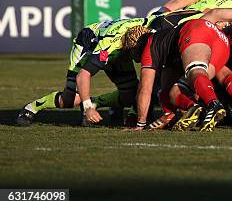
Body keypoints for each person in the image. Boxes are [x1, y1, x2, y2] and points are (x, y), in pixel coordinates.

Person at [16, 18, 151, 126]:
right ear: (130, 48)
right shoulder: (107, 48)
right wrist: (87, 108)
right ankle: (32, 107)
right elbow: (84, 75)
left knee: (131, 95)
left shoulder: (148, 23)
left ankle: (97, 102)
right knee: (71, 99)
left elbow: (168, 8)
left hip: (119, 49)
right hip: (87, 46)